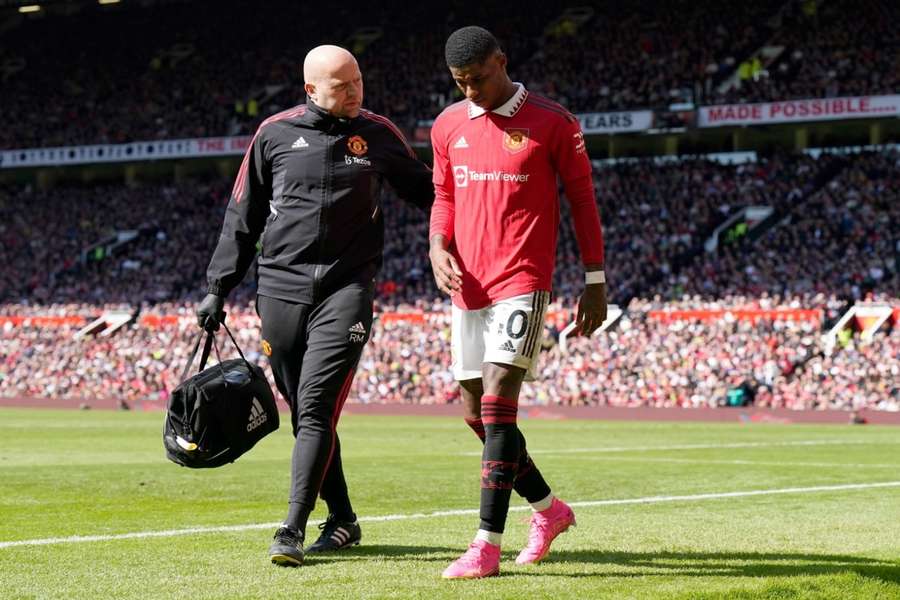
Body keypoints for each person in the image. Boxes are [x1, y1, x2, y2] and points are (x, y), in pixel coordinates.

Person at [197, 44, 433, 567]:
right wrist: (218, 286)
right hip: (279, 289)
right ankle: (344, 519)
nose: (353, 92)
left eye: (357, 81)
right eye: (340, 85)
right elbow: (243, 214)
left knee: (317, 407)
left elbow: (431, 194)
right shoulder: (274, 135)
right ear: (310, 89)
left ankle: (291, 528)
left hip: (347, 289)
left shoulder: (378, 134)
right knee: (307, 416)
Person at [428, 26, 608, 579]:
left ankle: (485, 546)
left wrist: (594, 278)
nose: (471, 91)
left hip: (524, 278)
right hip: (468, 285)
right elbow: (443, 195)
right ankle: (550, 511)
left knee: (500, 392)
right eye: (460, 83)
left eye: (478, 79)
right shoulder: (448, 124)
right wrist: (436, 246)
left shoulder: (554, 121)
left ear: (501, 62)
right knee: (473, 411)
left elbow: (581, 199)